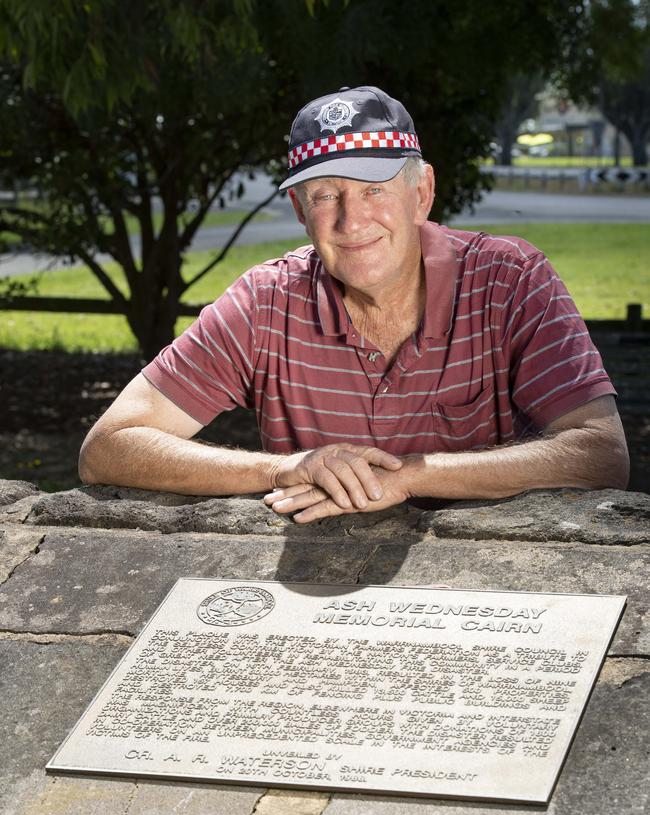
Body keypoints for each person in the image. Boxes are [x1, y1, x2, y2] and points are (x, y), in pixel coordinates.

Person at [79, 85, 629, 523]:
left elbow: (601, 455)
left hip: (489, 584)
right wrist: (286, 469)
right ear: (300, 209)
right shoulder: (265, 300)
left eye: (373, 189)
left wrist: (410, 475)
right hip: (318, 588)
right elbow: (107, 449)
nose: (351, 220)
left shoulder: (511, 281)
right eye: (326, 196)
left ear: (422, 193)